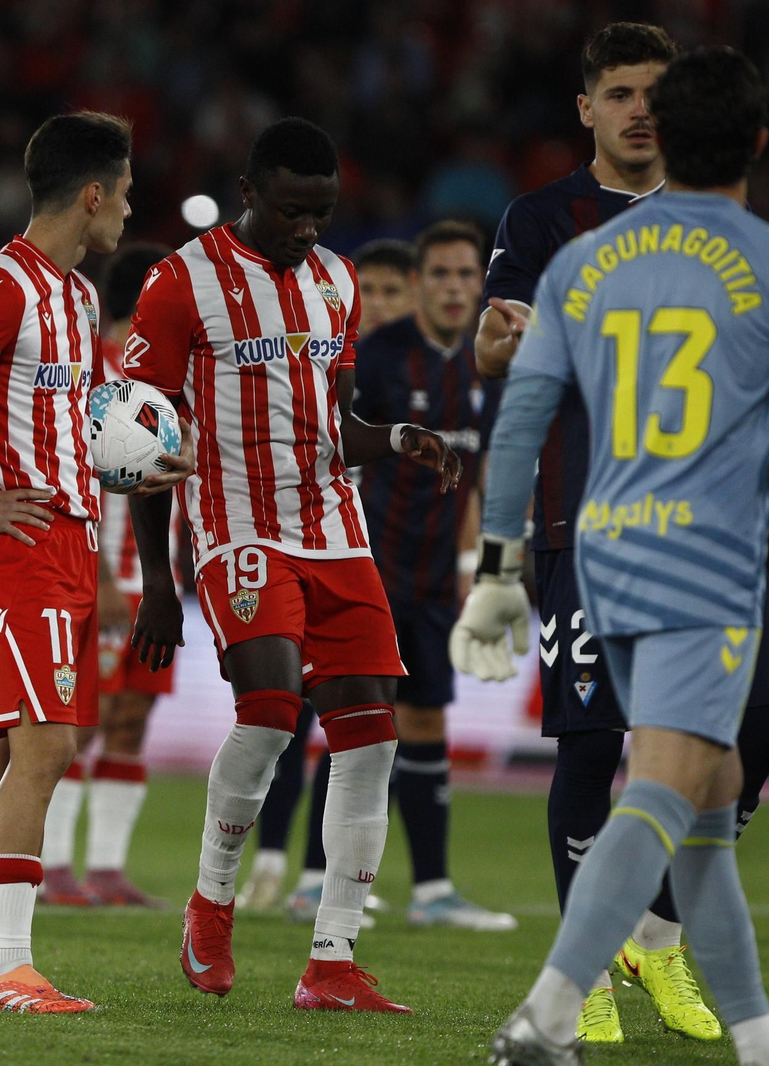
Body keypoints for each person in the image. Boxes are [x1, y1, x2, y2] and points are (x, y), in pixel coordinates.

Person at [456, 47, 769, 1066]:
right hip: (705, 552)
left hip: (604, 543)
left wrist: (494, 569)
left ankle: (751, 1030)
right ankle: (554, 1008)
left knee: (721, 765)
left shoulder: (590, 263)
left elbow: (514, 418)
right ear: (757, 141)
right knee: (654, 780)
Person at [126, 117, 458, 1013]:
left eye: (321, 214)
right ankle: (212, 904)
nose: (307, 230)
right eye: (290, 212)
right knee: (270, 713)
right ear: (249, 192)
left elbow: (338, 425)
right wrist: (159, 582)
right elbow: (140, 440)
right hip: (239, 529)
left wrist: (395, 437)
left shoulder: (337, 282)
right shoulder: (180, 284)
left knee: (371, 736)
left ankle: (333, 962)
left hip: (336, 532)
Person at [0, 111, 190, 1014]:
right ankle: (13, 967)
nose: (129, 212)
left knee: (5, 759)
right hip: (15, 544)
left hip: (61, 540)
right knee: (48, 747)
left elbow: (70, 419)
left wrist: (139, 458)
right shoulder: (4, 285)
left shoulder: (75, 298)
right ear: (92, 194)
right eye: (127, 194)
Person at [245, 222, 516, 930]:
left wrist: (473, 569)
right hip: (368, 568)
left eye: (467, 276)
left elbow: (476, 477)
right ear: (420, 283)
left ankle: (433, 890)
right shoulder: (380, 359)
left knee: (425, 723)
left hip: (432, 578)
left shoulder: (476, 368)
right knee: (358, 723)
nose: (456, 288)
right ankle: (314, 879)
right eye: (443, 276)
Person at [240, 237, 417, 915]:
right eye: (366, 290)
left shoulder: (403, 370)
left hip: (373, 561)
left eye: (391, 292)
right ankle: (278, 860)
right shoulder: (302, 358)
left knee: (367, 727)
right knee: (290, 716)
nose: (372, 305)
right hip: (303, 550)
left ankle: (321, 874)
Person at [39, 241, 178, 908]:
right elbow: (74, 478)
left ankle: (108, 869)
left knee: (131, 721)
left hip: (155, 584)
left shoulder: (181, 375)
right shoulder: (95, 369)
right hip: (95, 576)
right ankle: (55, 866)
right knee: (81, 723)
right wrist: (97, 578)